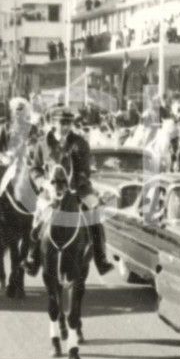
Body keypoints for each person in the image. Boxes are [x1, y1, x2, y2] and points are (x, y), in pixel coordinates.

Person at [23, 108, 114, 276]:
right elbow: (35, 169)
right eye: (62, 122)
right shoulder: (42, 143)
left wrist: (74, 184)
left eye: (69, 123)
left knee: (94, 213)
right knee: (37, 218)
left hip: (77, 188)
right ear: (53, 122)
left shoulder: (80, 143)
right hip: (50, 190)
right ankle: (32, 258)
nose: (66, 126)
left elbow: (85, 170)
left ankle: (101, 259)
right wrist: (44, 183)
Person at [0, 97, 39, 225]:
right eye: (16, 110)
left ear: (26, 112)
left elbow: (38, 144)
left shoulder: (32, 128)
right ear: (12, 111)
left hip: (27, 162)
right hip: (8, 162)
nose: (19, 113)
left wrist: (32, 150)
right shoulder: (4, 127)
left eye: (22, 110)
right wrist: (2, 156)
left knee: (43, 183)